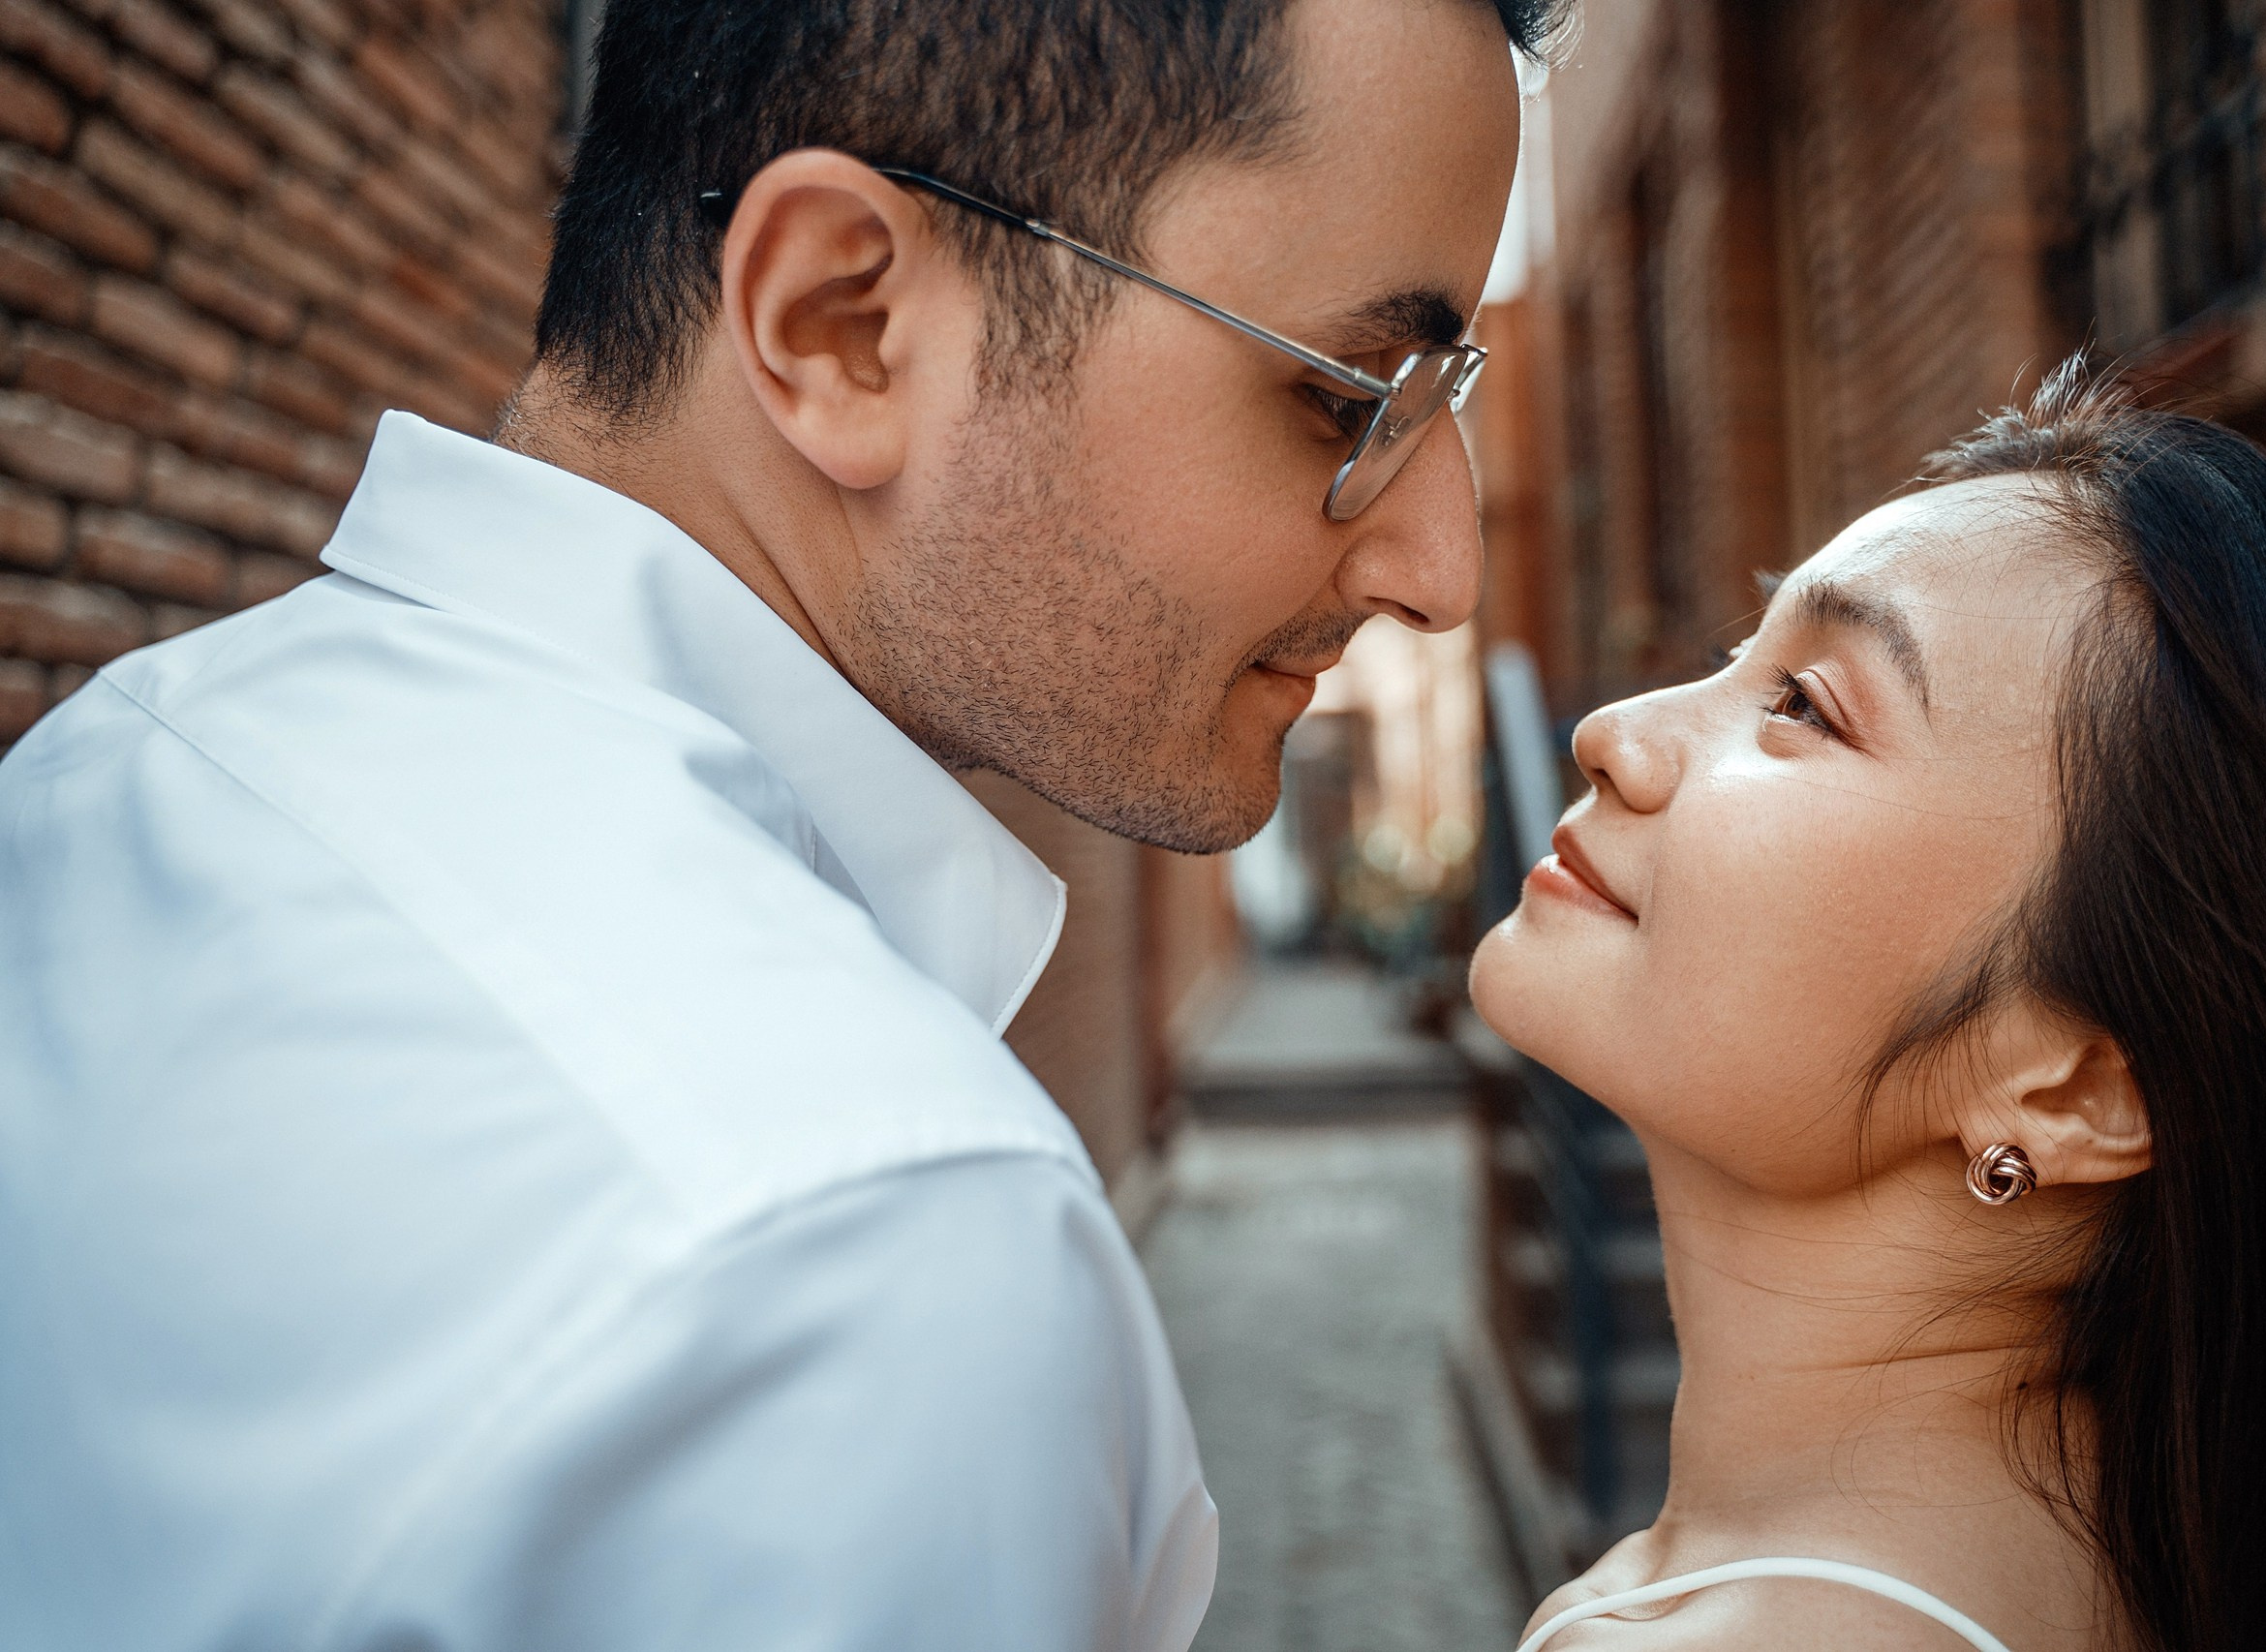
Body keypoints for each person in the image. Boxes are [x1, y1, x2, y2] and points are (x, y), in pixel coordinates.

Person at [0, 1, 1559, 1646]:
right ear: (841, 322)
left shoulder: (99, 778)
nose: (1443, 566)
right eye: (1351, 399)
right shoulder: (862, 1251)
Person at [1473, 360, 2266, 1652]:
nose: (1614, 731)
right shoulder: (2113, 1566)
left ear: (2075, 1086)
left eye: (1805, 707)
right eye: (1739, 656)